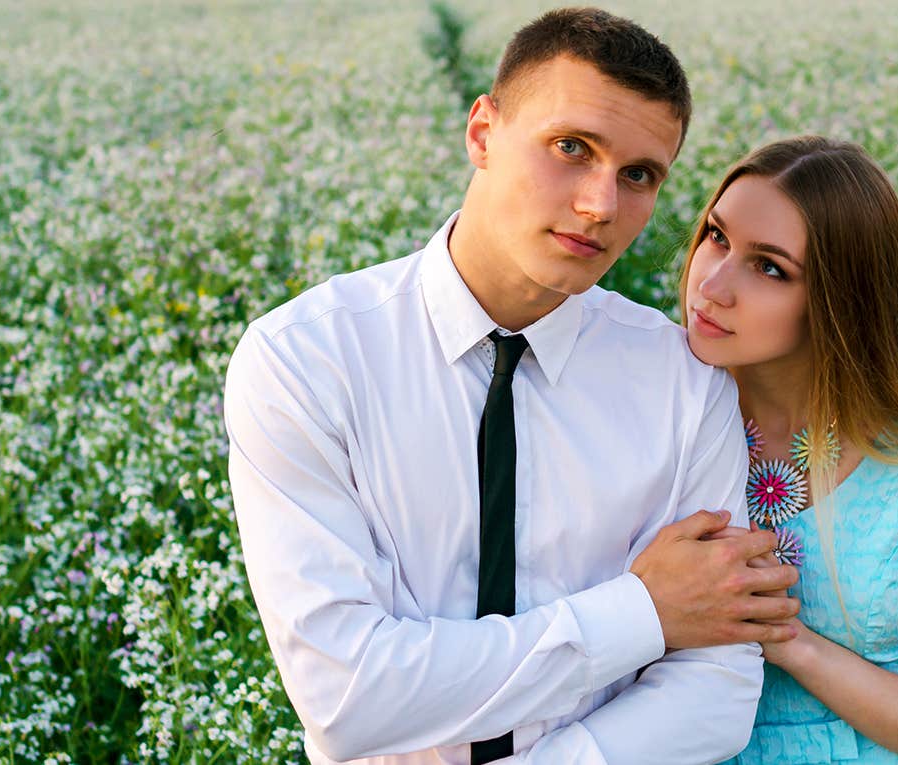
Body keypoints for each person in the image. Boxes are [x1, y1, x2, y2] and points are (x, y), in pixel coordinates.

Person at [223, 8, 801, 765]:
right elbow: (348, 698)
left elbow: (715, 691)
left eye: (638, 175)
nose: (600, 205)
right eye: (571, 148)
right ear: (482, 133)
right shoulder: (306, 361)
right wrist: (640, 613)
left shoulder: (684, 383)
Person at [678, 136, 898, 765]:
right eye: (717, 238)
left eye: (770, 268)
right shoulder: (653, 418)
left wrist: (791, 641)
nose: (714, 285)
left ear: (842, 301)